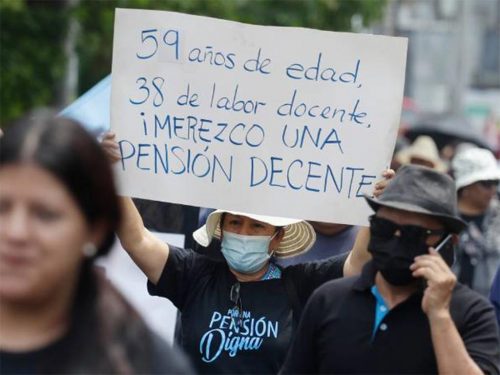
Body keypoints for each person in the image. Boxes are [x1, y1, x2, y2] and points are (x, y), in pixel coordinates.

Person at [101, 132, 393, 374]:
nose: (243, 233)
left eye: (257, 226)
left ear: (277, 239)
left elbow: (359, 262)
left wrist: (378, 209)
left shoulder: (300, 284)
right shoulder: (193, 275)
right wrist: (113, 176)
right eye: (235, 223)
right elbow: (137, 240)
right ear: (221, 229)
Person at [0, 111, 193, 374]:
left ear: (95, 229)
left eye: (45, 215)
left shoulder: (143, 364)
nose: (16, 232)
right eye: (2, 208)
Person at [281, 165, 500, 375]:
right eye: (384, 228)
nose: (396, 242)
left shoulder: (472, 313)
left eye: (414, 234)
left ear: (448, 241)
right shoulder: (329, 299)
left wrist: (440, 316)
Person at [451, 147, 500, 296]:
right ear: (466, 185)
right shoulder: (443, 217)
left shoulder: (497, 220)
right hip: (447, 302)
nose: (492, 189)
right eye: (486, 183)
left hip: (491, 309)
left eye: (495, 182)